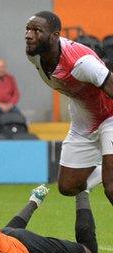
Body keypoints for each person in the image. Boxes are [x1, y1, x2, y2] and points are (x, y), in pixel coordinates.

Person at [25, 11, 113, 204]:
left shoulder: (81, 63)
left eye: (36, 30)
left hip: (110, 116)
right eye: (28, 29)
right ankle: (106, 169)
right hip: (83, 121)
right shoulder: (35, 55)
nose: (29, 35)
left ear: (55, 35)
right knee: (67, 187)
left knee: (111, 188)